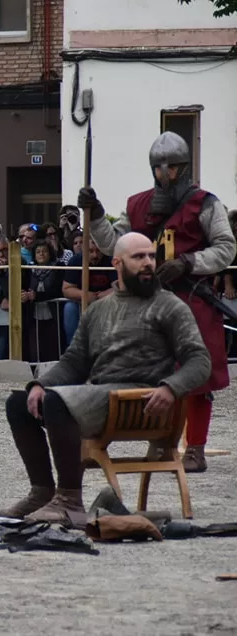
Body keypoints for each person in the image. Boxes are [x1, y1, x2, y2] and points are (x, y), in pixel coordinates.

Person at [0, 233, 211, 524]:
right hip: (103, 399)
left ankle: (69, 500)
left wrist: (171, 388)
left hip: (143, 402)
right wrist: (39, 384)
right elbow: (74, 363)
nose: (148, 263)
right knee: (19, 402)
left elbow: (200, 360)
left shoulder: (169, 306)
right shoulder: (98, 309)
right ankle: (42, 492)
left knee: (58, 402)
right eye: (139, 257)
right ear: (118, 263)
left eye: (151, 256)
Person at [80, 131, 236, 472]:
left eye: (173, 168)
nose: (166, 175)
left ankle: (194, 448)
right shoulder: (138, 204)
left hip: (192, 297)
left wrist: (189, 262)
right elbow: (112, 245)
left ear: (185, 167)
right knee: (135, 367)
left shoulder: (207, 203)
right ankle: (156, 441)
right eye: (160, 168)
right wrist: (95, 215)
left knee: (196, 374)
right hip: (146, 301)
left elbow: (226, 248)